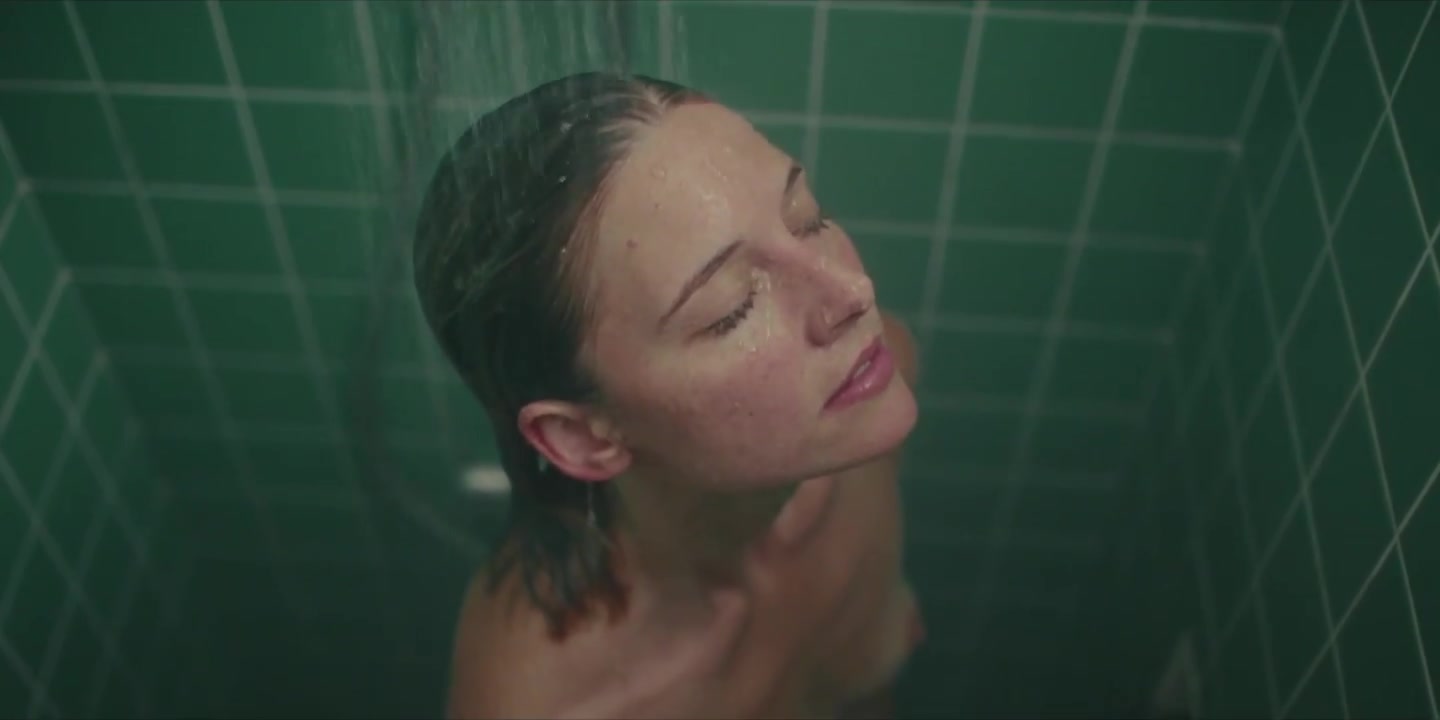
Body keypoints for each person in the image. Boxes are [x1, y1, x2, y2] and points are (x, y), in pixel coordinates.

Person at [413, 71, 925, 719]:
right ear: (585, 436)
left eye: (806, 217)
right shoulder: (549, 705)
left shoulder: (865, 400)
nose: (852, 293)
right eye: (733, 309)